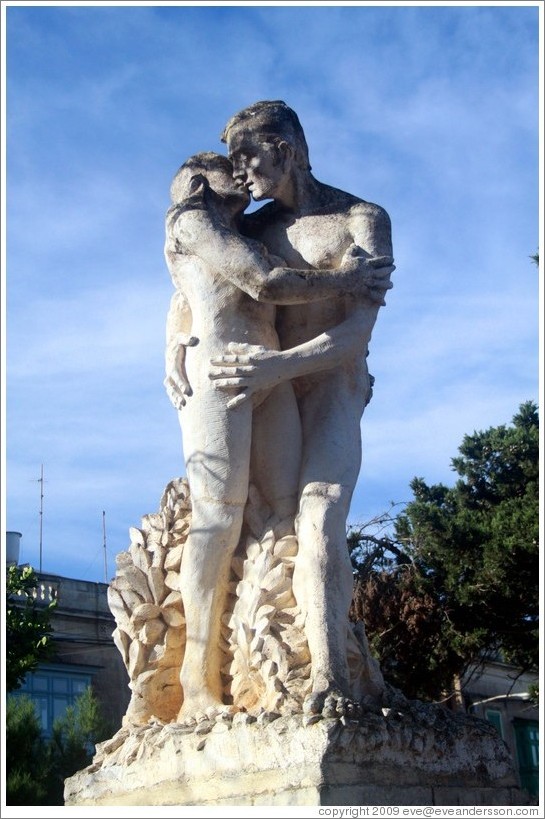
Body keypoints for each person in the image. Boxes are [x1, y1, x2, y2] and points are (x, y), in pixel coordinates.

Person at [212, 100, 395, 714]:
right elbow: (198, 279)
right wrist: (173, 350)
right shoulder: (253, 232)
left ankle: (331, 678)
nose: (240, 172)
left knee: (319, 517)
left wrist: (274, 367)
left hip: (331, 388)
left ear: (286, 150)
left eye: (249, 155)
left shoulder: (362, 220)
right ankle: (244, 677)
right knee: (258, 525)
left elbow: (354, 338)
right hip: (273, 395)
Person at [164, 151, 304, 721]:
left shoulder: (241, 227)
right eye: (230, 171)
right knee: (217, 514)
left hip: (266, 368)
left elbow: (181, 298)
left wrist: (171, 337)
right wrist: (350, 278)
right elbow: (256, 279)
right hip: (217, 367)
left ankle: (287, 664)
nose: (243, 177)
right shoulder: (190, 219)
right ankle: (196, 681)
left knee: (287, 511)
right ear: (200, 183)